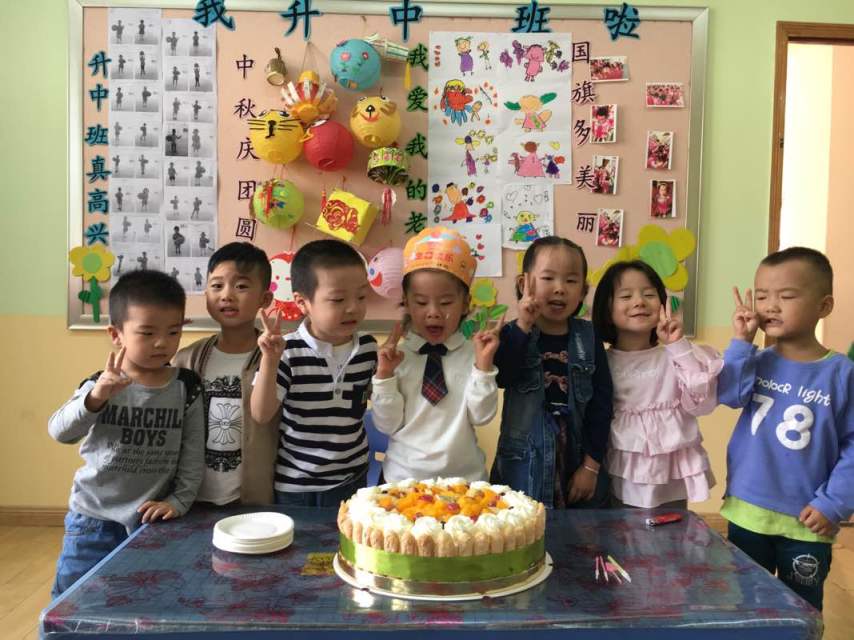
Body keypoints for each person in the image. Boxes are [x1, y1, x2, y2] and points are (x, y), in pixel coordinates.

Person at [48, 270, 204, 598]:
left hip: (151, 522)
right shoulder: (100, 384)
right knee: (73, 604)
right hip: (92, 520)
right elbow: (60, 432)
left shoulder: (186, 386)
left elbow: (192, 451)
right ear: (116, 334)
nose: (162, 342)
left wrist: (180, 500)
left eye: (173, 331)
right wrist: (96, 398)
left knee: (146, 603)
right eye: (147, 332)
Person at [718, 247, 853, 611]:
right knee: (748, 606)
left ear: (824, 306)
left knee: (801, 610)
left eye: (787, 296)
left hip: (808, 520)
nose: (771, 306)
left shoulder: (842, 373)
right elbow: (728, 395)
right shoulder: (756, 360)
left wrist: (834, 503)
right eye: (762, 296)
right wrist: (741, 343)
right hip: (746, 511)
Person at [250, 239, 377, 506]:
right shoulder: (286, 349)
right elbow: (261, 414)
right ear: (302, 302)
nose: (353, 307)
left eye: (361, 296)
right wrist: (270, 360)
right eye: (338, 299)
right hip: (298, 485)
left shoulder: (368, 348)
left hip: (352, 479)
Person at [491, 237, 613, 508]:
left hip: (578, 461)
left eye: (571, 281)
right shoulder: (511, 333)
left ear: (583, 291)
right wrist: (524, 325)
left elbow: (602, 405)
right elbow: (503, 377)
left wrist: (591, 467)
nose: (560, 288)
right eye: (548, 278)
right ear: (524, 284)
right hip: (524, 464)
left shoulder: (589, 337)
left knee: (582, 530)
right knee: (522, 529)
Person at [371, 227, 500, 482]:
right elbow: (387, 425)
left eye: (445, 302)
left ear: (465, 304)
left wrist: (483, 369)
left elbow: (481, 416)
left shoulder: (473, 354)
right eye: (421, 302)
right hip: (402, 480)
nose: (433, 312)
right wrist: (384, 376)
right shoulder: (396, 357)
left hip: (464, 483)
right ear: (406, 303)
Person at [591, 260, 720, 509]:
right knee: (620, 529)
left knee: (671, 529)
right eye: (626, 296)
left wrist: (678, 346)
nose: (639, 302)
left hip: (670, 481)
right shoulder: (600, 362)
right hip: (621, 474)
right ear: (607, 308)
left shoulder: (675, 354)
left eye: (649, 294)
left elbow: (702, 400)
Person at [174, 243, 280, 506]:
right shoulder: (187, 358)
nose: (227, 295)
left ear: (265, 299)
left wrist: (272, 358)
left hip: (252, 497)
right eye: (217, 286)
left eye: (241, 286)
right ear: (206, 294)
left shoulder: (276, 356)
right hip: (191, 497)